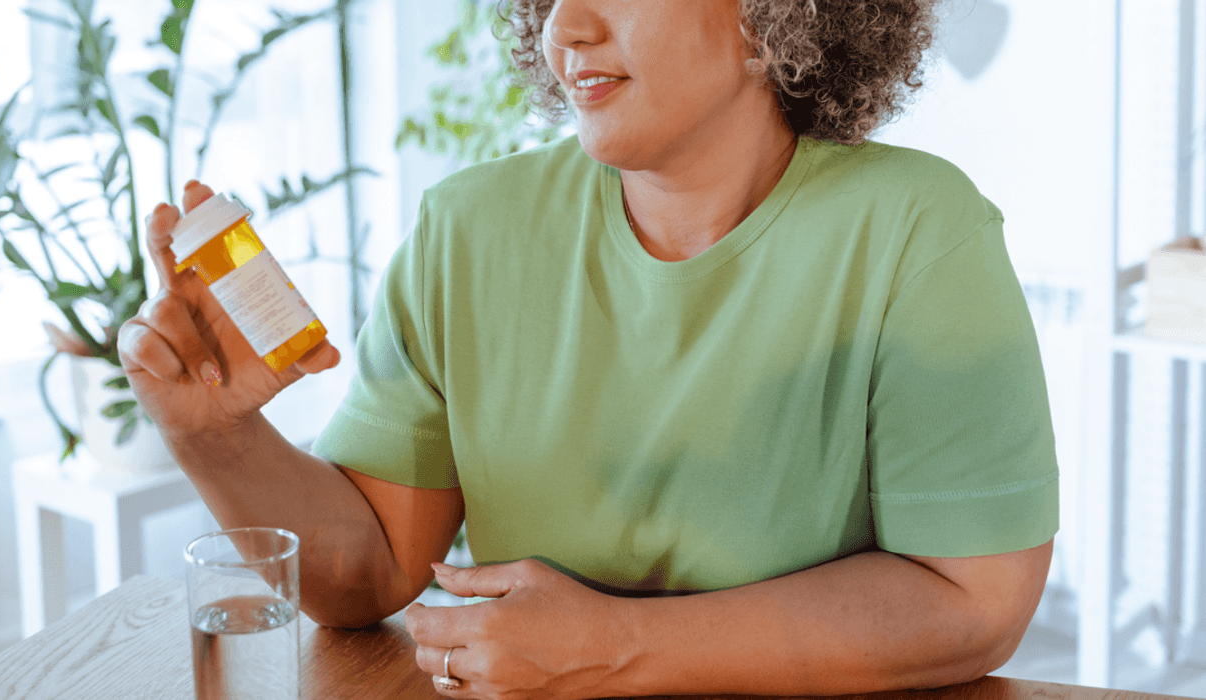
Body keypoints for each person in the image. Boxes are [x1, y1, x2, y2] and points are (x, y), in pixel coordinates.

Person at [118, 0, 1058, 697]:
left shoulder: (914, 229)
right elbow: (367, 575)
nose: (565, 28)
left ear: (775, 17)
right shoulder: (470, 229)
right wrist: (216, 435)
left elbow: (974, 603)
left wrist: (619, 645)